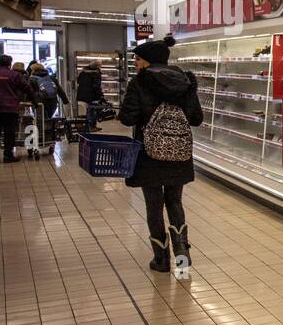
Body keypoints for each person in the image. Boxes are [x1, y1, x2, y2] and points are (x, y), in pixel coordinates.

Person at [119, 35, 203, 274]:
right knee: (175, 201)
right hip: (179, 152)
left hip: (149, 154)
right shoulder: (186, 82)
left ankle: (161, 260)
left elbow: (128, 117)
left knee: (154, 205)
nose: (136, 63)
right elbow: (196, 119)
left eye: (138, 59)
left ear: (148, 61)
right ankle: (182, 253)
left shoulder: (140, 83)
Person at [0, 54, 36, 163]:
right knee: (9, 132)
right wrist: (34, 100)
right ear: (9, 64)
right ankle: (8, 155)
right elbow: (27, 88)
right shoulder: (14, 75)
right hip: (10, 108)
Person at [28, 63, 69, 144]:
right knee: (48, 120)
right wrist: (65, 101)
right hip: (53, 102)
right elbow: (60, 90)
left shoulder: (32, 79)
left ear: (33, 70)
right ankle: (48, 138)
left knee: (40, 121)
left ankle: (40, 139)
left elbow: (30, 92)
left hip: (39, 103)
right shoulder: (51, 78)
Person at [75, 60, 105, 131]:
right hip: (91, 95)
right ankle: (92, 126)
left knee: (83, 111)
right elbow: (96, 86)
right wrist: (100, 95)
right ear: (97, 67)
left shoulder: (83, 72)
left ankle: (84, 126)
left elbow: (78, 81)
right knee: (92, 110)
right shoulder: (96, 74)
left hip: (81, 94)